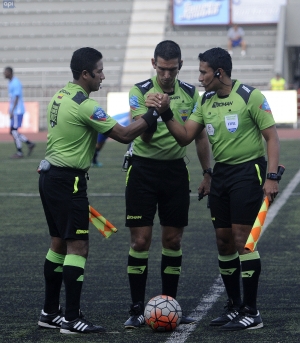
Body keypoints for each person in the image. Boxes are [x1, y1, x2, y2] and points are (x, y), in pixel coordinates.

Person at [149, 47, 280, 331]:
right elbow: (185, 136)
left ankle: (252, 311)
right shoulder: (205, 100)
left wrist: (271, 177)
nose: (199, 77)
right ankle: (234, 306)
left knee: (242, 239)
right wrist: (166, 111)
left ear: (219, 73)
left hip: (248, 172)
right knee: (223, 241)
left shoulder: (250, 96)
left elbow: (272, 136)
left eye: (203, 72)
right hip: (221, 175)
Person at [37, 47, 165, 335]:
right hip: (68, 181)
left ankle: (49, 312)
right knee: (77, 246)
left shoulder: (61, 95)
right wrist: (155, 112)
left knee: (58, 243)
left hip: (50, 176)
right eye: (99, 71)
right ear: (85, 74)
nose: (103, 76)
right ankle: (71, 318)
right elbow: (123, 135)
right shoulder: (84, 105)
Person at [123, 40, 211, 329]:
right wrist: (153, 113)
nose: (166, 75)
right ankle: (137, 308)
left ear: (180, 67)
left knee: (173, 240)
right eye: (161, 69)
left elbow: (197, 136)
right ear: (153, 64)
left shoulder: (190, 93)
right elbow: (142, 137)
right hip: (142, 171)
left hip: (175, 172)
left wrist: (207, 172)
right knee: (140, 240)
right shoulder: (139, 91)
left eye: (172, 70)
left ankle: (169, 305)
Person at [3, 66, 36, 158]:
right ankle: (29, 143)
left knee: (14, 131)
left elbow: (17, 97)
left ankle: (20, 152)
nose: (4, 74)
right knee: (13, 131)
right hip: (15, 111)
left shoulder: (15, 82)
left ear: (10, 72)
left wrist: (12, 111)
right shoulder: (10, 82)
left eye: (5, 72)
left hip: (17, 111)